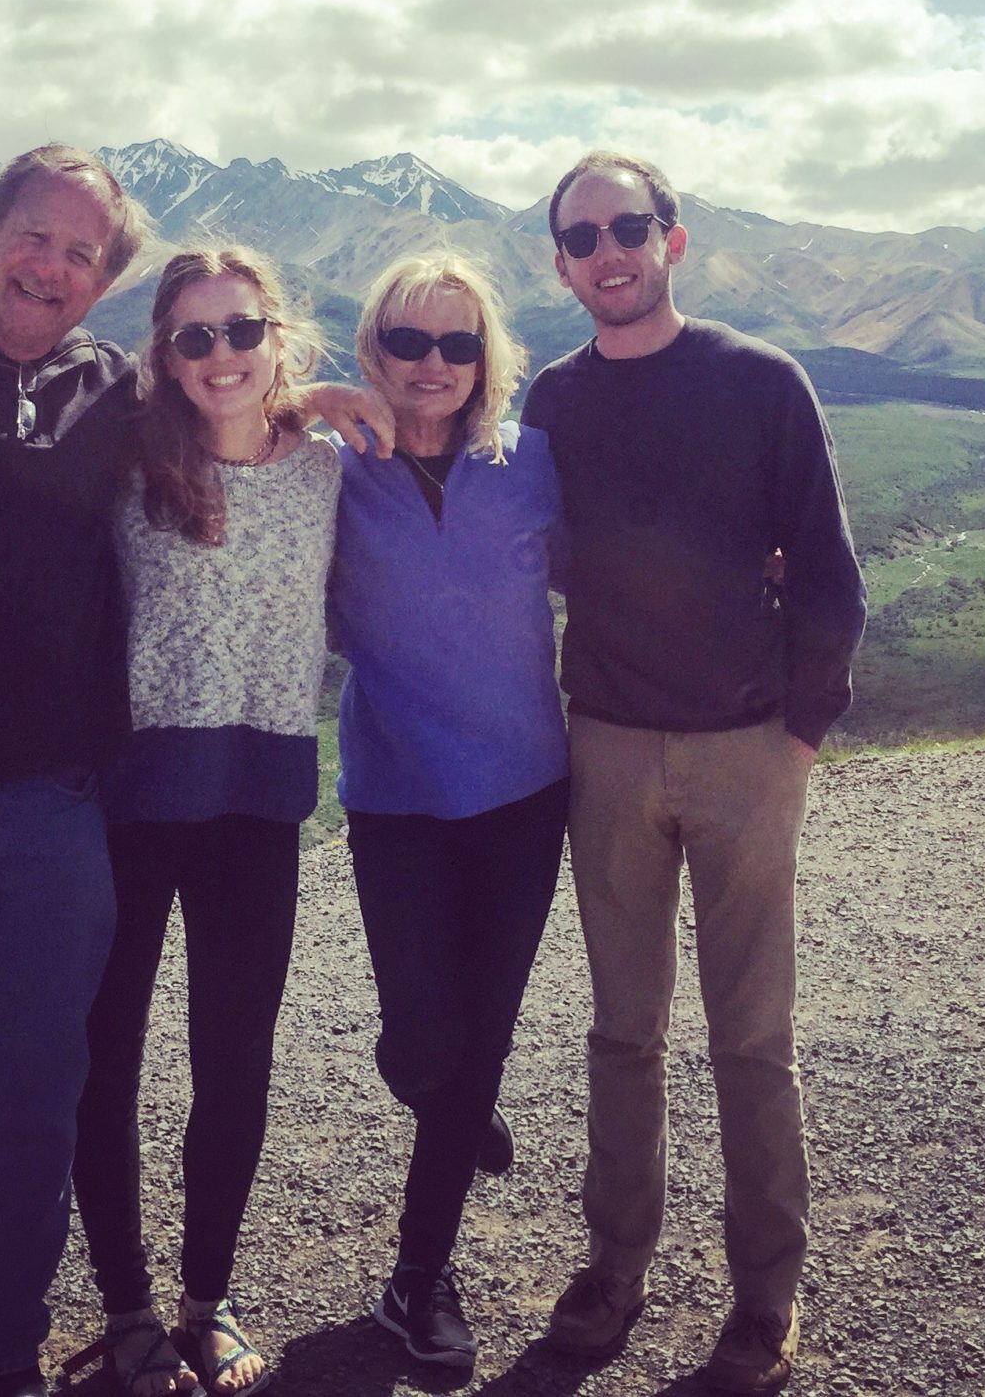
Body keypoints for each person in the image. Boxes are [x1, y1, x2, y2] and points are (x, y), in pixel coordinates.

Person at [0, 150, 389, 1397]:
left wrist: (306, 397)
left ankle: (2, 1364)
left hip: (56, 808)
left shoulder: (108, 395)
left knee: (33, 1118)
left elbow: (234, 411)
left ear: (103, 282)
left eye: (81, 253)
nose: (50, 266)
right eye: (33, 237)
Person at [524, 150, 866, 1395]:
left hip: (743, 750)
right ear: (559, 266)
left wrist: (799, 736)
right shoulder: (552, 402)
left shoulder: (760, 382)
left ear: (674, 239)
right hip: (605, 744)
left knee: (751, 1037)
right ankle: (616, 1267)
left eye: (629, 226)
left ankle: (764, 1295)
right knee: (622, 1030)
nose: (607, 251)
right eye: (582, 238)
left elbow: (829, 570)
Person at [67, 247, 341, 1397]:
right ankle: (126, 1307)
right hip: (126, 802)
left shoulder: (330, 467)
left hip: (256, 801)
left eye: (242, 329)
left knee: (235, 1063)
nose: (221, 353)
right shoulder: (124, 460)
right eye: (194, 336)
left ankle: (205, 1298)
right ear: (163, 355)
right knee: (106, 1062)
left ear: (277, 333)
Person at [326, 252, 569, 1378]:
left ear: (486, 361)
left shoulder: (532, 465)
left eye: (458, 344)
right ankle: (451, 1099)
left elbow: (625, 556)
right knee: (426, 1040)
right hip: (398, 799)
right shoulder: (326, 473)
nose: (433, 365)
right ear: (373, 347)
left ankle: (416, 1280)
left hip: (524, 793)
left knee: (478, 1038)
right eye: (410, 342)